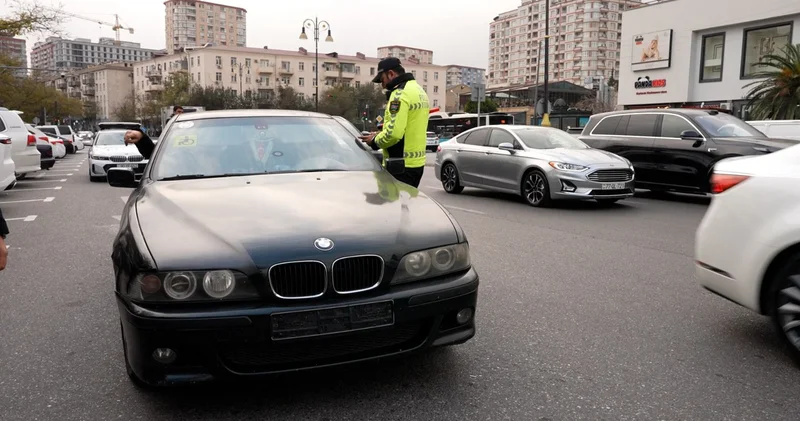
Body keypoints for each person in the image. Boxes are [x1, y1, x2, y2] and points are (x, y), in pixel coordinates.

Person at [359, 57, 430, 188]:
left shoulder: (399, 94)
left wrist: (374, 141)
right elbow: (409, 127)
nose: (383, 85)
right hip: (417, 163)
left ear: (391, 74)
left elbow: (394, 134)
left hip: (399, 165)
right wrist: (381, 132)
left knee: (394, 207)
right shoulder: (418, 90)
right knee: (408, 206)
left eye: (382, 79)